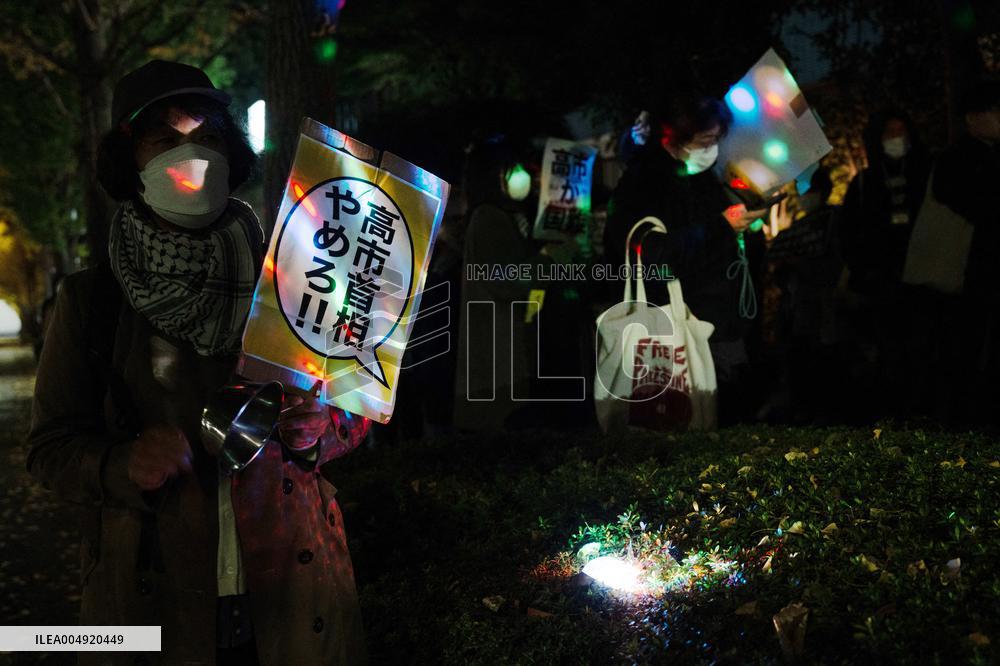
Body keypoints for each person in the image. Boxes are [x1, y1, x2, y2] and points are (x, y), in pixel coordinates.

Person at [27, 60, 369, 665]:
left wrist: (321, 431)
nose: (192, 157)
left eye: (207, 136)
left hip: (290, 598)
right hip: (151, 606)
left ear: (232, 152)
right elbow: (49, 447)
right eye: (165, 139)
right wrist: (122, 462)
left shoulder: (294, 282)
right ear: (128, 161)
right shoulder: (91, 302)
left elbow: (351, 401)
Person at [604, 94, 768, 424]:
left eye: (716, 139)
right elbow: (652, 257)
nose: (712, 149)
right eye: (706, 140)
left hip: (720, 330)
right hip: (677, 330)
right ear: (675, 135)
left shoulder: (704, 178)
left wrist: (746, 229)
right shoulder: (645, 183)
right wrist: (722, 227)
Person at [931, 82, 1000, 426]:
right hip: (970, 271)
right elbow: (967, 202)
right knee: (969, 347)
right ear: (974, 118)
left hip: (977, 270)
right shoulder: (957, 159)